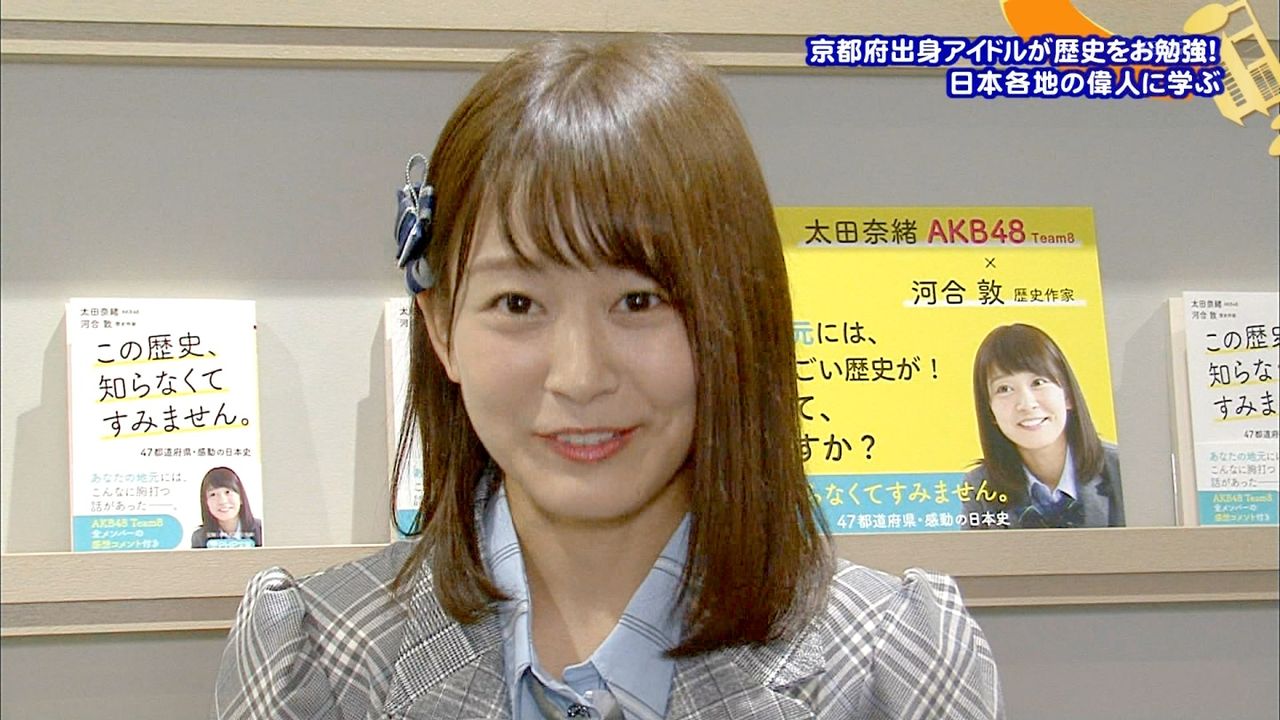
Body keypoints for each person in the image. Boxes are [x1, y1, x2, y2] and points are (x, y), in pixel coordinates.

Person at [214, 36, 1002, 719]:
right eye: (517, 303)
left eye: (639, 300)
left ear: (734, 318)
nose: (580, 376)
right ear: (441, 330)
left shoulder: (892, 665)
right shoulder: (317, 662)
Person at [963, 323, 1124, 529]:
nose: (1026, 404)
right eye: (1004, 389)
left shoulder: (1122, 470)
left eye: (1038, 382)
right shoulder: (980, 486)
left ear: (1067, 395)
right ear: (990, 411)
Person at [191, 466, 263, 548]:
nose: (222, 501)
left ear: (241, 498)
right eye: (213, 494)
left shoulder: (262, 530)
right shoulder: (199, 537)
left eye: (227, 492)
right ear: (206, 503)